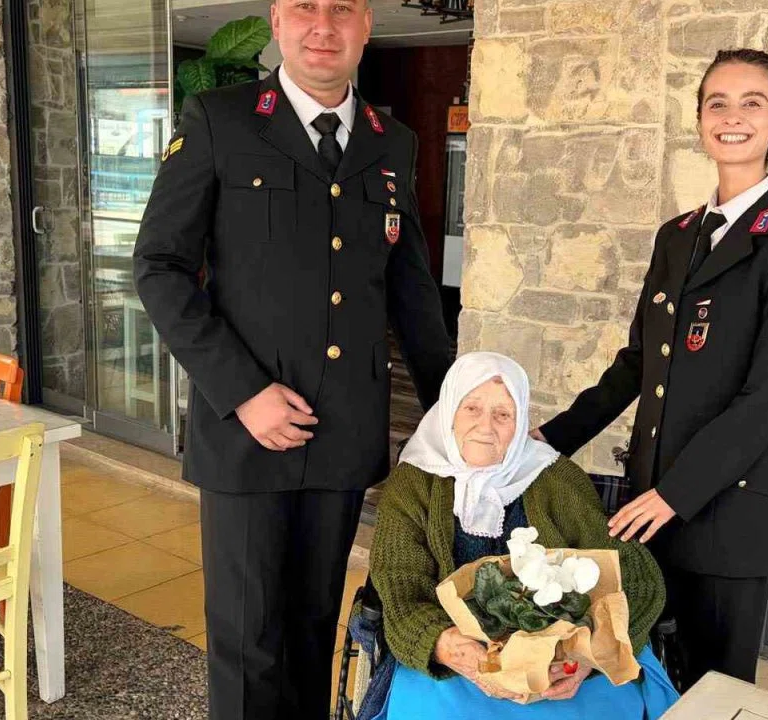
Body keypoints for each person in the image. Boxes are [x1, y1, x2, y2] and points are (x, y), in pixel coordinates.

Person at [132, 0, 452, 717]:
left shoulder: (391, 141)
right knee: (248, 645)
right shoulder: (220, 119)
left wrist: (454, 406)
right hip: (246, 432)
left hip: (341, 433)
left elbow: (411, 290)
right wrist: (245, 392)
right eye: (304, 6)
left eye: (342, 9)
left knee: (313, 631)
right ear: (277, 21)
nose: (322, 25)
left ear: (366, 25)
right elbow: (159, 266)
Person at [533, 48, 768, 687]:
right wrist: (548, 440)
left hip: (727, 518)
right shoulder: (677, 235)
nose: (732, 117)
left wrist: (675, 494)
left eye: (752, 103)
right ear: (700, 120)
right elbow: (638, 363)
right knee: (639, 680)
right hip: (651, 508)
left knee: (712, 693)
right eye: (717, 103)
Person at [367, 352, 678, 719]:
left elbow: (636, 577)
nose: (486, 427)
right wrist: (455, 651)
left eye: (503, 414)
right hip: (453, 661)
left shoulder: (555, 478)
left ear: (521, 424)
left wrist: (586, 658)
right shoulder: (412, 483)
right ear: (448, 411)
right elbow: (400, 588)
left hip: (562, 663)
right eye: (471, 408)